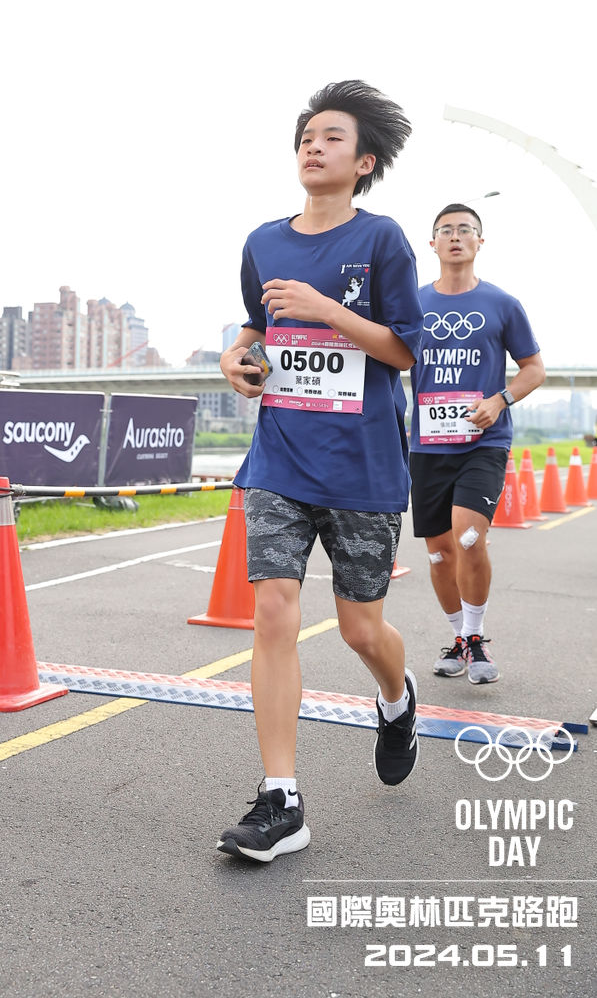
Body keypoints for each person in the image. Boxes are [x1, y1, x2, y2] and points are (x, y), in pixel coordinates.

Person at [216, 79, 424, 864]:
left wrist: (327, 308)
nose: (313, 145)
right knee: (273, 612)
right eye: (306, 136)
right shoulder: (263, 241)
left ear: (363, 161)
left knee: (359, 628)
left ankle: (396, 698)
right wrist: (237, 358)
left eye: (332, 137)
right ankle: (282, 800)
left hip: (362, 465)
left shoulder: (382, 239)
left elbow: (404, 351)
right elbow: (255, 327)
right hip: (279, 457)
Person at [409, 204, 545, 684]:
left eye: (465, 229)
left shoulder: (502, 303)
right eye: (445, 230)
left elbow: (534, 368)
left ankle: (475, 635)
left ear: (479, 242)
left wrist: (500, 400)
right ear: (432, 243)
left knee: (468, 536)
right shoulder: (412, 302)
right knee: (439, 552)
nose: (455, 236)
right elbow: (385, 356)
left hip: (482, 443)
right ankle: (458, 638)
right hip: (427, 445)